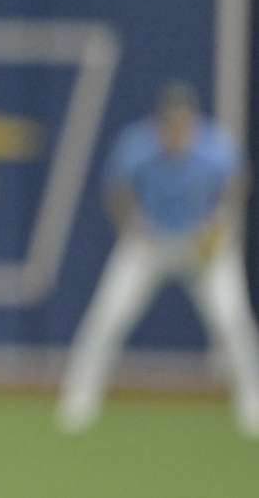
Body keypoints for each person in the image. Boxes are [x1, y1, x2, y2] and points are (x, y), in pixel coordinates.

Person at [56, 82, 259, 437]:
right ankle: (79, 401)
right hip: (150, 242)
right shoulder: (138, 146)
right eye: (171, 124)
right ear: (160, 123)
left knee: (232, 320)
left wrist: (219, 224)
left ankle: (252, 404)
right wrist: (131, 224)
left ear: (194, 122)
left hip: (202, 244)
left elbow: (238, 184)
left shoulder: (216, 147)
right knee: (108, 316)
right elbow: (117, 189)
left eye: (183, 123)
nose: (177, 131)